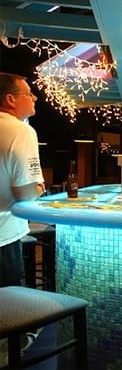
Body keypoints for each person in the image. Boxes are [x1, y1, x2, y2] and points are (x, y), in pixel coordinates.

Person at [0, 72, 45, 287]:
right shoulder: (21, 130)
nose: (34, 98)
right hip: (3, 234)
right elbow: (25, 192)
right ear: (10, 99)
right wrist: (39, 187)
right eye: (29, 94)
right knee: (8, 309)